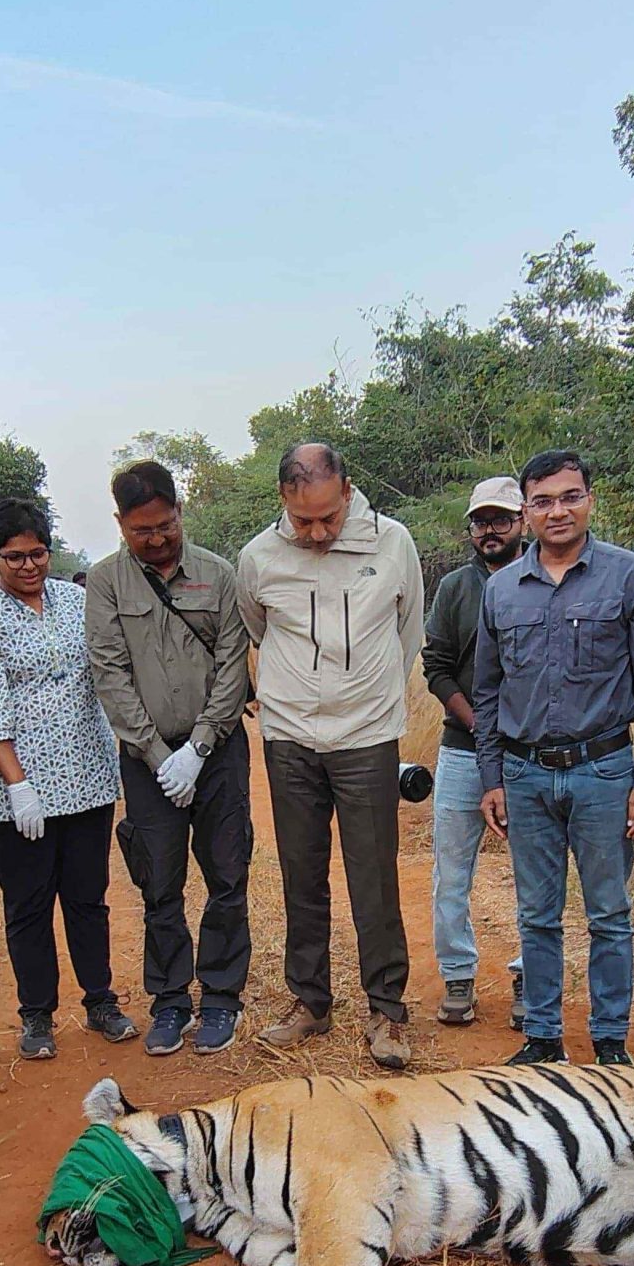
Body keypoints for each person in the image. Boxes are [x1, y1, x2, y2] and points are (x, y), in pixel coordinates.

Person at [472, 451, 634, 1065]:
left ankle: (611, 1042)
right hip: (526, 773)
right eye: (543, 501)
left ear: (589, 499)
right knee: (536, 915)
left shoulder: (629, 575)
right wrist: (492, 777)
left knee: (609, 913)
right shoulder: (502, 588)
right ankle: (543, 1039)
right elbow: (486, 691)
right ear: (525, 511)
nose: (557, 511)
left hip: (604, 771)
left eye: (570, 496)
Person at [235, 442, 424, 1071]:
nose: (315, 532)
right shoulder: (259, 557)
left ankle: (387, 1010)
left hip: (367, 736)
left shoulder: (393, 544)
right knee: (301, 873)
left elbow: (408, 632)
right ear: (283, 503)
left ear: (348, 491)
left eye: (327, 517)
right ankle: (310, 1002)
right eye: (302, 520)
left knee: (374, 876)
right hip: (289, 736)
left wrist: (369, 696)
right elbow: (258, 628)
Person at [0, 498, 139, 1059]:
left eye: (37, 553)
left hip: (86, 778)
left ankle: (100, 1000)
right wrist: (16, 783)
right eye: (14, 557)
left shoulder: (75, 600)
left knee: (88, 898)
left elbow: (105, 677)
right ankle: (37, 1015)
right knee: (29, 904)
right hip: (17, 791)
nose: (29, 566)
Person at [86, 460, 253, 1056]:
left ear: (180, 512)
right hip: (147, 758)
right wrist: (160, 756)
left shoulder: (218, 574)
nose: (155, 540)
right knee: (159, 881)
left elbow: (234, 665)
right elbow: (110, 671)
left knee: (227, 875)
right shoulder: (107, 582)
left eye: (164, 525)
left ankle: (222, 997)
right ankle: (170, 999)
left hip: (219, 753)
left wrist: (200, 747)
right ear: (120, 525)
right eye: (140, 531)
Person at [423, 477, 528, 1029]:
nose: (491, 530)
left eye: (502, 520)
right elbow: (435, 665)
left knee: (534, 871)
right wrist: (481, 724)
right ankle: (458, 976)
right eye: (481, 521)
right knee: (451, 871)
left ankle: (529, 974)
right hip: (463, 750)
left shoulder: (545, 578)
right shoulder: (454, 589)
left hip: (532, 752)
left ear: (523, 522)